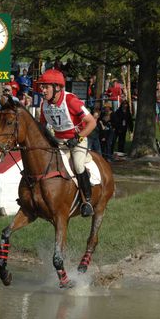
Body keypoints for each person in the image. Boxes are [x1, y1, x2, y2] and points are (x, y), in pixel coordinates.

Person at [38, 69, 97, 217]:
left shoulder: (71, 101)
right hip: (58, 140)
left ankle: (87, 201)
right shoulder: (44, 104)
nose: (42, 90)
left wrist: (77, 139)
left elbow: (92, 122)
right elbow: (42, 126)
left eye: (46, 87)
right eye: (42, 87)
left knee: (77, 164)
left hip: (77, 139)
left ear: (57, 87)